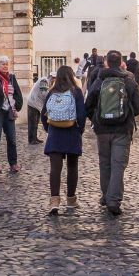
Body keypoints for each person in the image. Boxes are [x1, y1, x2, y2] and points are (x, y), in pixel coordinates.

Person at [85, 50, 139, 215]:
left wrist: (97, 119)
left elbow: (88, 105)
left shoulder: (99, 80)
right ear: (121, 63)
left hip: (102, 130)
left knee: (105, 163)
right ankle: (113, 200)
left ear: (107, 63)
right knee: (118, 165)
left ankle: (105, 196)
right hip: (122, 130)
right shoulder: (129, 81)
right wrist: (126, 115)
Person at [41, 64, 88, 215]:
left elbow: (44, 114)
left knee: (55, 169)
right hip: (71, 132)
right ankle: (71, 200)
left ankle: (54, 201)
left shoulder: (51, 92)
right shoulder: (76, 92)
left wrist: (49, 129)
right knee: (72, 167)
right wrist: (79, 130)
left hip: (55, 133)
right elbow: (82, 115)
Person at [26, 72, 51, 145]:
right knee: (32, 122)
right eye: (54, 79)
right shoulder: (44, 81)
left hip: (35, 103)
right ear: (51, 77)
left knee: (35, 122)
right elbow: (44, 93)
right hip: (33, 103)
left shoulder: (46, 81)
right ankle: (31, 140)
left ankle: (34, 138)